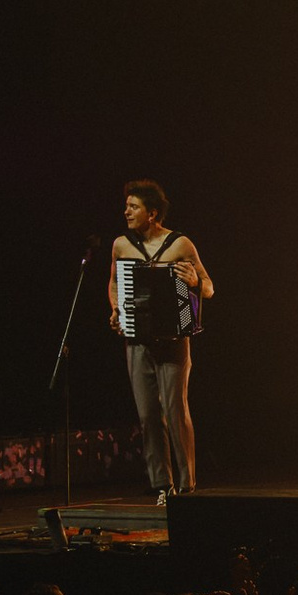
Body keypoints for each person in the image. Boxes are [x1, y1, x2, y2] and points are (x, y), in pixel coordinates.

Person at [110, 179, 213, 501]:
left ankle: (186, 484)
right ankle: (161, 484)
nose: (126, 212)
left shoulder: (180, 244)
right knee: (147, 414)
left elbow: (209, 287)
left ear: (152, 213)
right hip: (137, 341)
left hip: (173, 340)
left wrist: (194, 281)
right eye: (127, 206)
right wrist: (116, 309)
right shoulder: (122, 245)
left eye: (133, 207)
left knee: (174, 410)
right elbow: (114, 282)